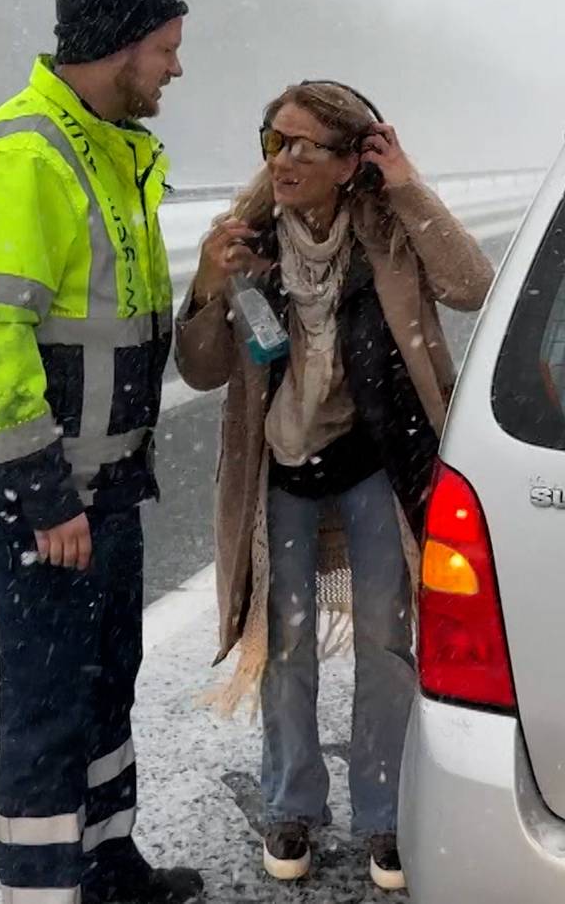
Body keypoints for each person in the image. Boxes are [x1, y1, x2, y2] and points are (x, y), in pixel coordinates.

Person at [175, 81, 494, 891]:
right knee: (285, 641)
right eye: (273, 141)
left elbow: (473, 287)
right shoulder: (248, 241)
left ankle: (386, 814)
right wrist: (211, 284)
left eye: (303, 146)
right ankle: (293, 805)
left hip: (375, 461)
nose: (282, 160)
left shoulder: (387, 229)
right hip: (280, 467)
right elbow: (202, 370)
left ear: (352, 161)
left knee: (387, 641)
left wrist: (408, 184)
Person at [0, 0, 203, 904]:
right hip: (39, 500)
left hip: (105, 490)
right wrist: (48, 497)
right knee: (49, 716)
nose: (176, 68)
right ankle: (46, 888)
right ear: (121, 47)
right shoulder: (22, 158)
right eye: (166, 48)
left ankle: (107, 869)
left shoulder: (108, 149)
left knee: (104, 688)